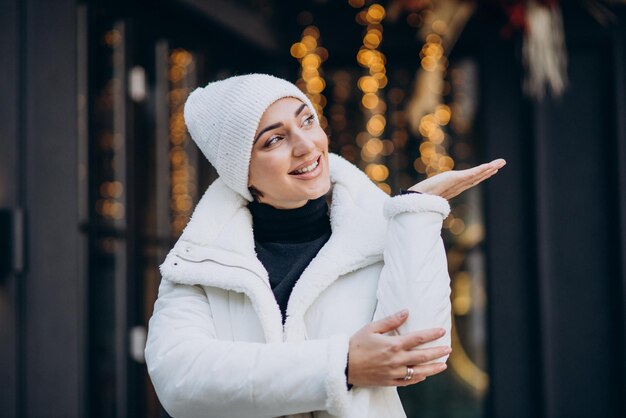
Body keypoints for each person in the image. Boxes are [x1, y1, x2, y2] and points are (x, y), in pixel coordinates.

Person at [145, 74, 505, 418]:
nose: (305, 146)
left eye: (307, 121)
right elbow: (181, 381)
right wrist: (342, 364)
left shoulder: (374, 234)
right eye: (274, 140)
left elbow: (420, 350)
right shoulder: (201, 264)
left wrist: (417, 212)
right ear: (241, 171)